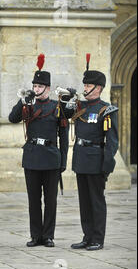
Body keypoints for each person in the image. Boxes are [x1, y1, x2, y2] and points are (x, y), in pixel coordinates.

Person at [8, 54, 69, 248]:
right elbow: (12, 118)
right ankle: (35, 236)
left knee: (50, 201)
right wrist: (22, 101)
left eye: (39, 87)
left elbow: (64, 136)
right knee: (34, 200)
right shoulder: (28, 105)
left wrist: (63, 162)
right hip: (33, 157)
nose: (36, 90)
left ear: (48, 88)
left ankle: (48, 236)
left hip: (51, 157)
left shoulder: (56, 107)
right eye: (34, 86)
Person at [66, 54, 119, 251]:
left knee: (96, 201)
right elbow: (63, 115)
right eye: (85, 85)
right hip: (81, 159)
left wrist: (106, 166)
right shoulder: (80, 106)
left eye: (88, 86)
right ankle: (87, 236)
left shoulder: (106, 110)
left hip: (96, 160)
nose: (85, 88)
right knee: (84, 201)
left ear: (98, 88)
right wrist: (67, 99)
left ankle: (98, 238)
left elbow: (112, 141)